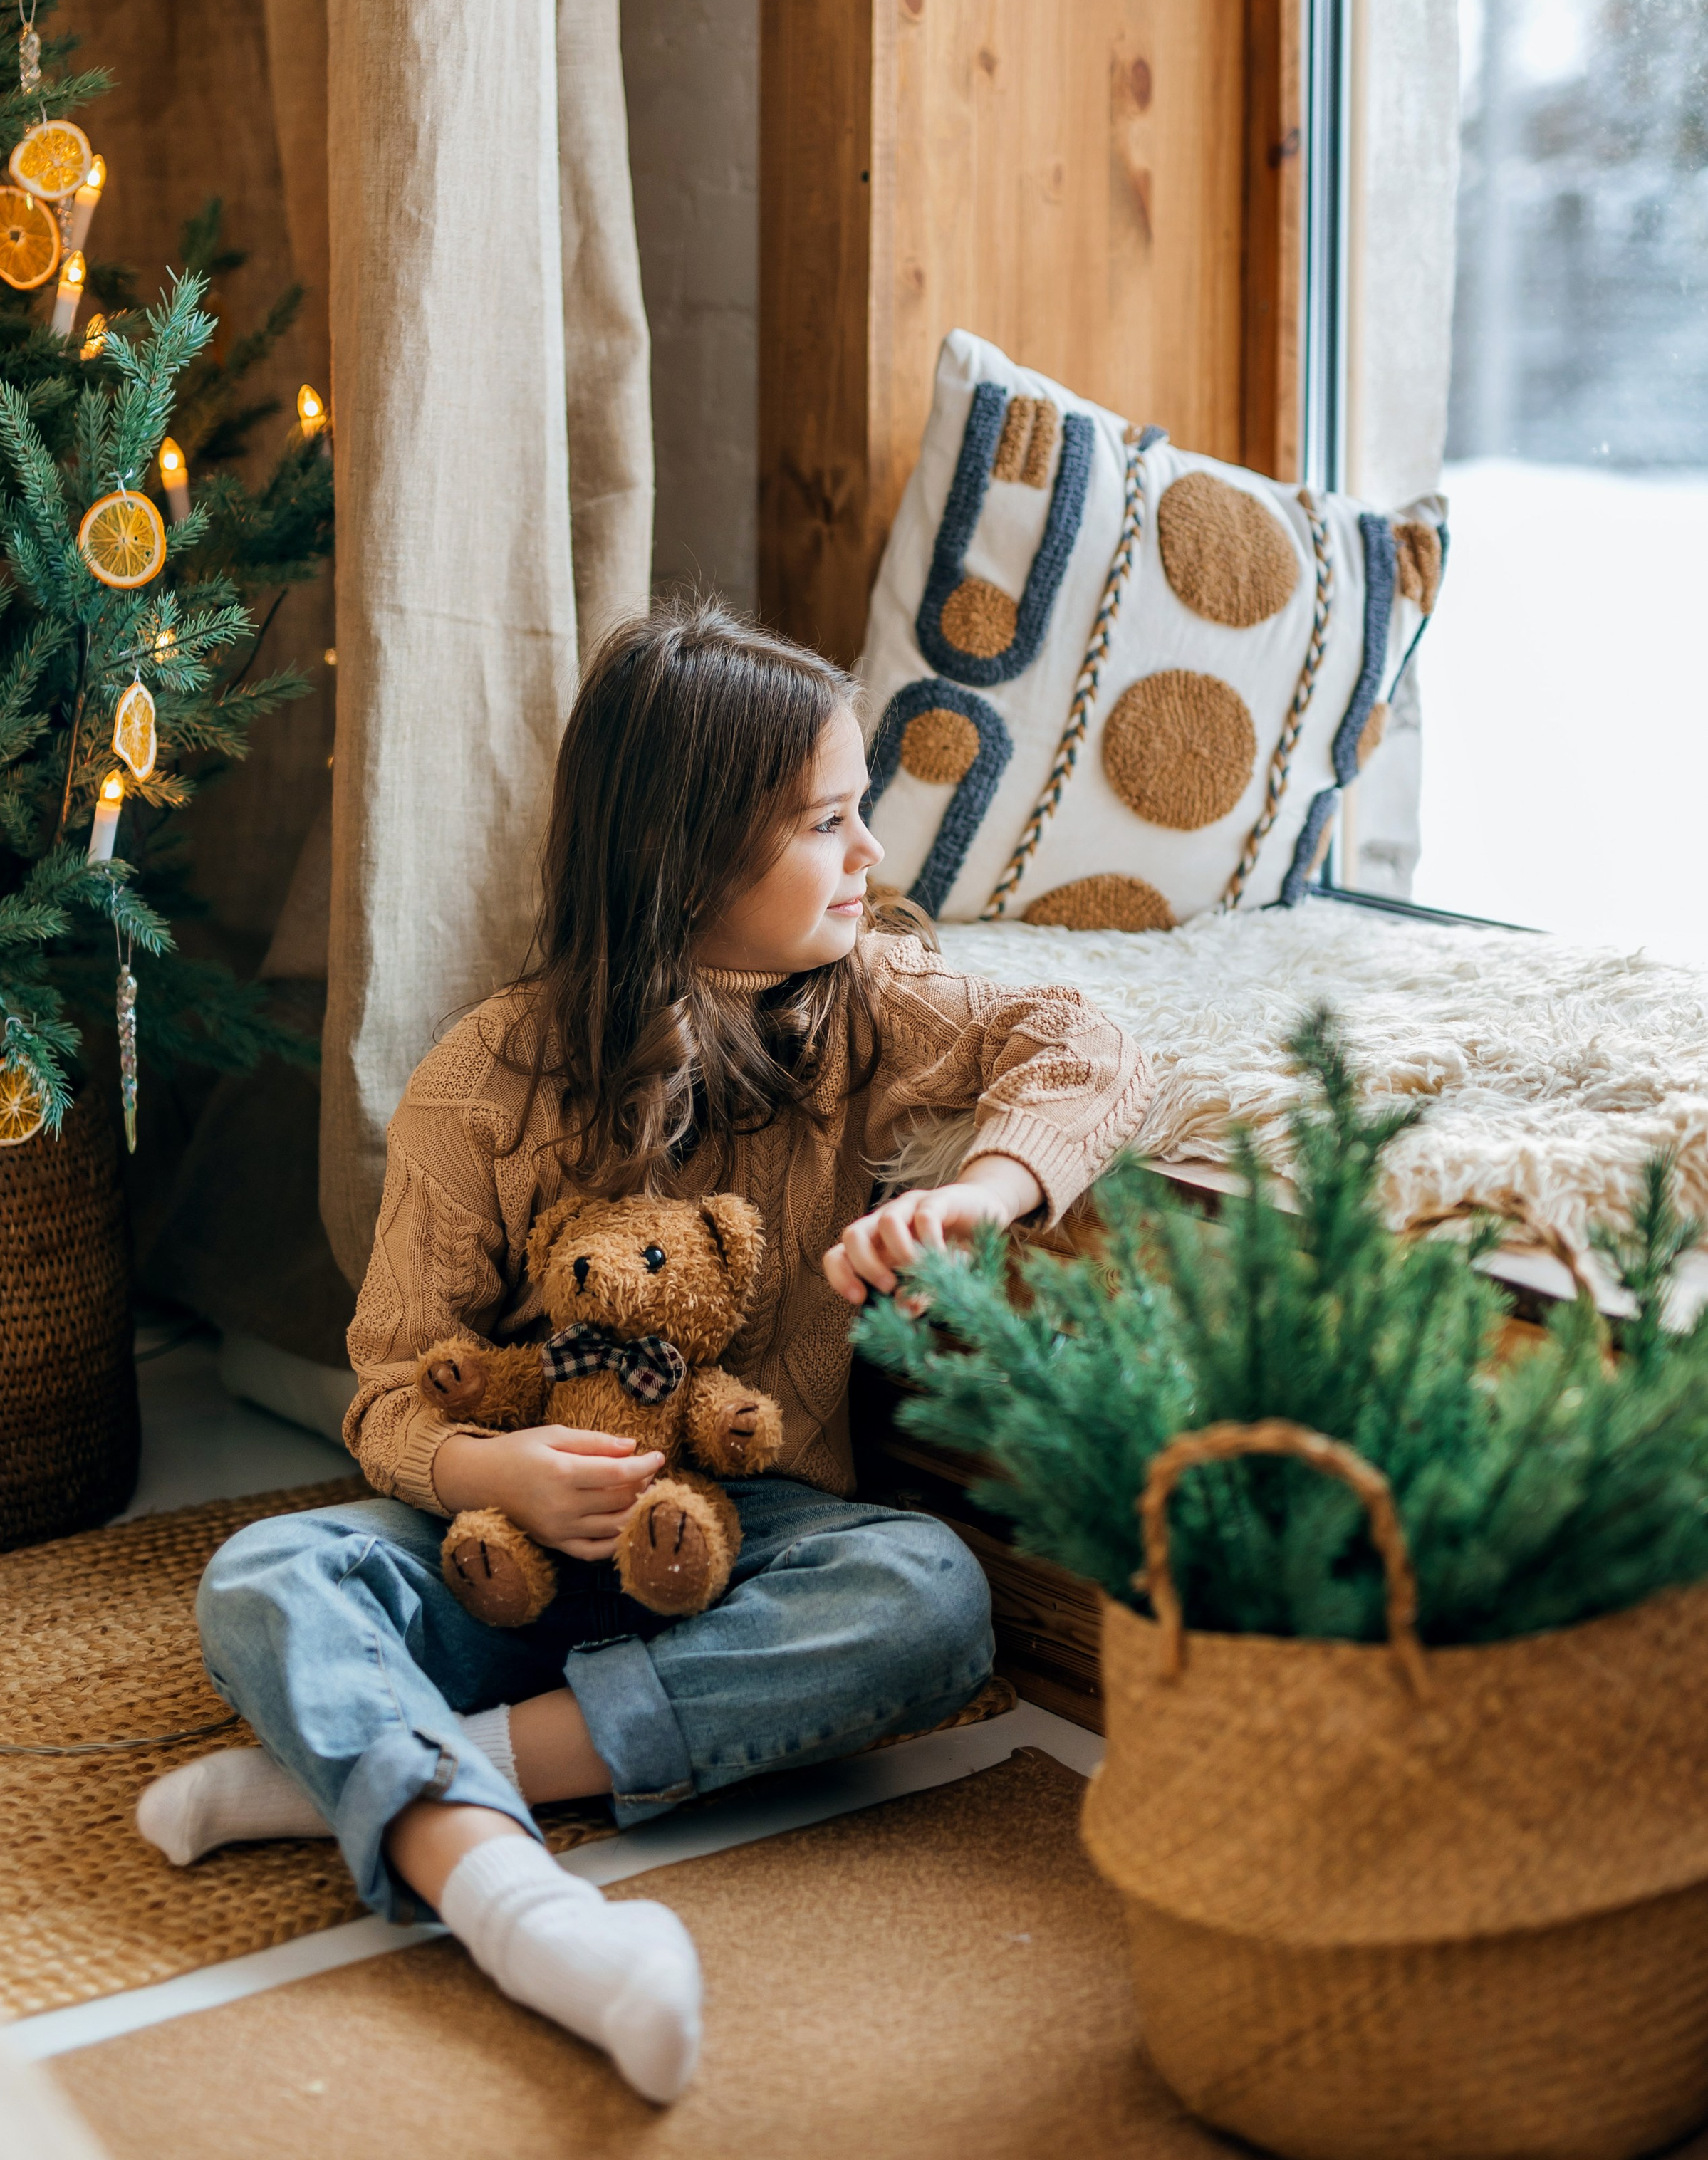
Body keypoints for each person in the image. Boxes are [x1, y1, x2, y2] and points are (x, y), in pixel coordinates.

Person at [137, 600, 1148, 2102]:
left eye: (858, 812)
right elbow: (391, 1392)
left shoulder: (865, 1009)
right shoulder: (482, 1081)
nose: (871, 854)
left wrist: (976, 1197)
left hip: (752, 1539)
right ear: (689, 854)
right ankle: (519, 1906)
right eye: (826, 821)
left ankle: (400, 1772)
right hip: (505, 1546)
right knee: (266, 1574)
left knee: (930, 1596)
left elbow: (1091, 1043)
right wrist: (498, 1472)